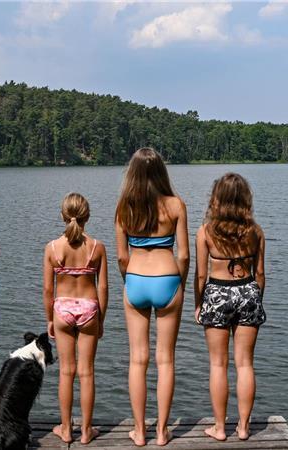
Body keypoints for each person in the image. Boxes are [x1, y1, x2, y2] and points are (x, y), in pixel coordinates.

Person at [115, 148, 189, 446]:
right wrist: (180, 284)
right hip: (168, 279)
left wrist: (129, 281)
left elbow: (122, 257)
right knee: (166, 359)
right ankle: (161, 432)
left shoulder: (124, 207)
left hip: (136, 280)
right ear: (161, 172)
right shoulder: (176, 205)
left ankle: (139, 432)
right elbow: (184, 255)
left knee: (138, 359)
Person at [194, 172, 266, 442]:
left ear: (217, 199)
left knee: (218, 364)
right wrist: (256, 300)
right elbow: (260, 274)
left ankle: (220, 428)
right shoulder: (255, 231)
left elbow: (201, 276)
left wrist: (198, 304)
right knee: (245, 364)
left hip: (217, 294)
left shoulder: (206, 232)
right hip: (248, 292)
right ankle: (244, 427)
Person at [43, 193, 108, 445]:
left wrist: (50, 319)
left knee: (66, 371)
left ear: (62, 216)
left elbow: (48, 290)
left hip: (62, 309)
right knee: (87, 372)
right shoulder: (97, 247)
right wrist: (101, 318)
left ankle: (66, 429)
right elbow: (103, 288)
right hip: (90, 308)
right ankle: (86, 431)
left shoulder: (52, 248)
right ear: (87, 217)